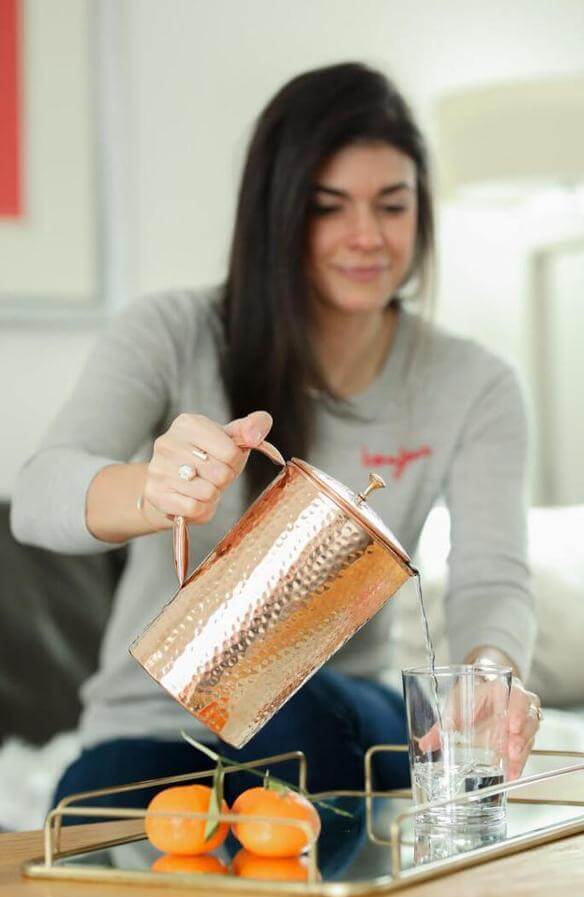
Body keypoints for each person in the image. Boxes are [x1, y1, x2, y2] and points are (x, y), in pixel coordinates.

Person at [11, 62, 541, 826]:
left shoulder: (475, 382)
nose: (367, 237)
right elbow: (37, 497)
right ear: (278, 213)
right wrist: (152, 490)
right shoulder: (173, 333)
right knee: (94, 814)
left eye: (392, 206)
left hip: (333, 725)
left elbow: (492, 578)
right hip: (158, 731)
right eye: (329, 209)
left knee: (303, 713)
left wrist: (489, 676)